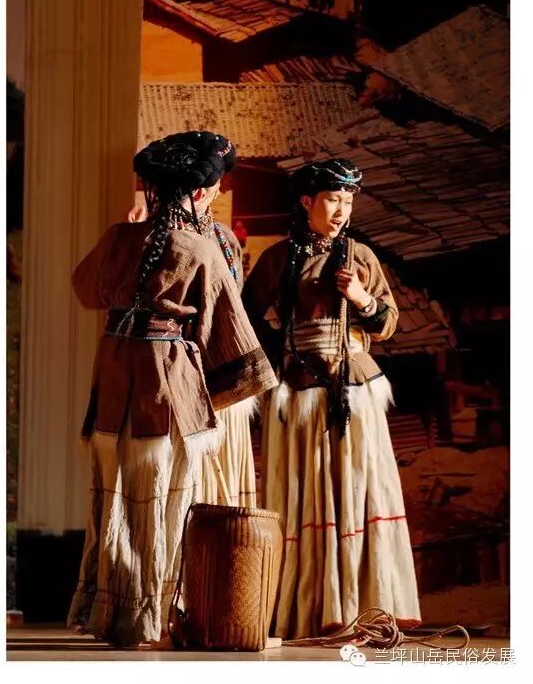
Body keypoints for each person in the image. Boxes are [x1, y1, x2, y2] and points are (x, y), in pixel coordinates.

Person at [67, 135, 277, 648]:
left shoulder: (119, 236)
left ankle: (109, 613)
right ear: (200, 192)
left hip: (114, 376)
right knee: (166, 498)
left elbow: (84, 287)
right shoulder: (201, 248)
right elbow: (229, 332)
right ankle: (152, 617)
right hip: (166, 382)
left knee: (114, 499)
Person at [242, 158, 421, 640]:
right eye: (331, 200)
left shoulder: (361, 256)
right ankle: (308, 608)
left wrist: (362, 298)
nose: (341, 210)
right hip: (302, 390)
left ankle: (363, 608)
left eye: (347, 201)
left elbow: (387, 322)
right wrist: (282, 353)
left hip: (353, 389)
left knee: (357, 487)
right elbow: (247, 317)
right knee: (307, 489)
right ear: (307, 202)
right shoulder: (278, 258)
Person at [128, 131, 257, 508]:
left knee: (208, 498)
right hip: (175, 377)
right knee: (174, 492)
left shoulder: (222, 240)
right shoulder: (149, 236)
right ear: (203, 192)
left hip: (209, 381)